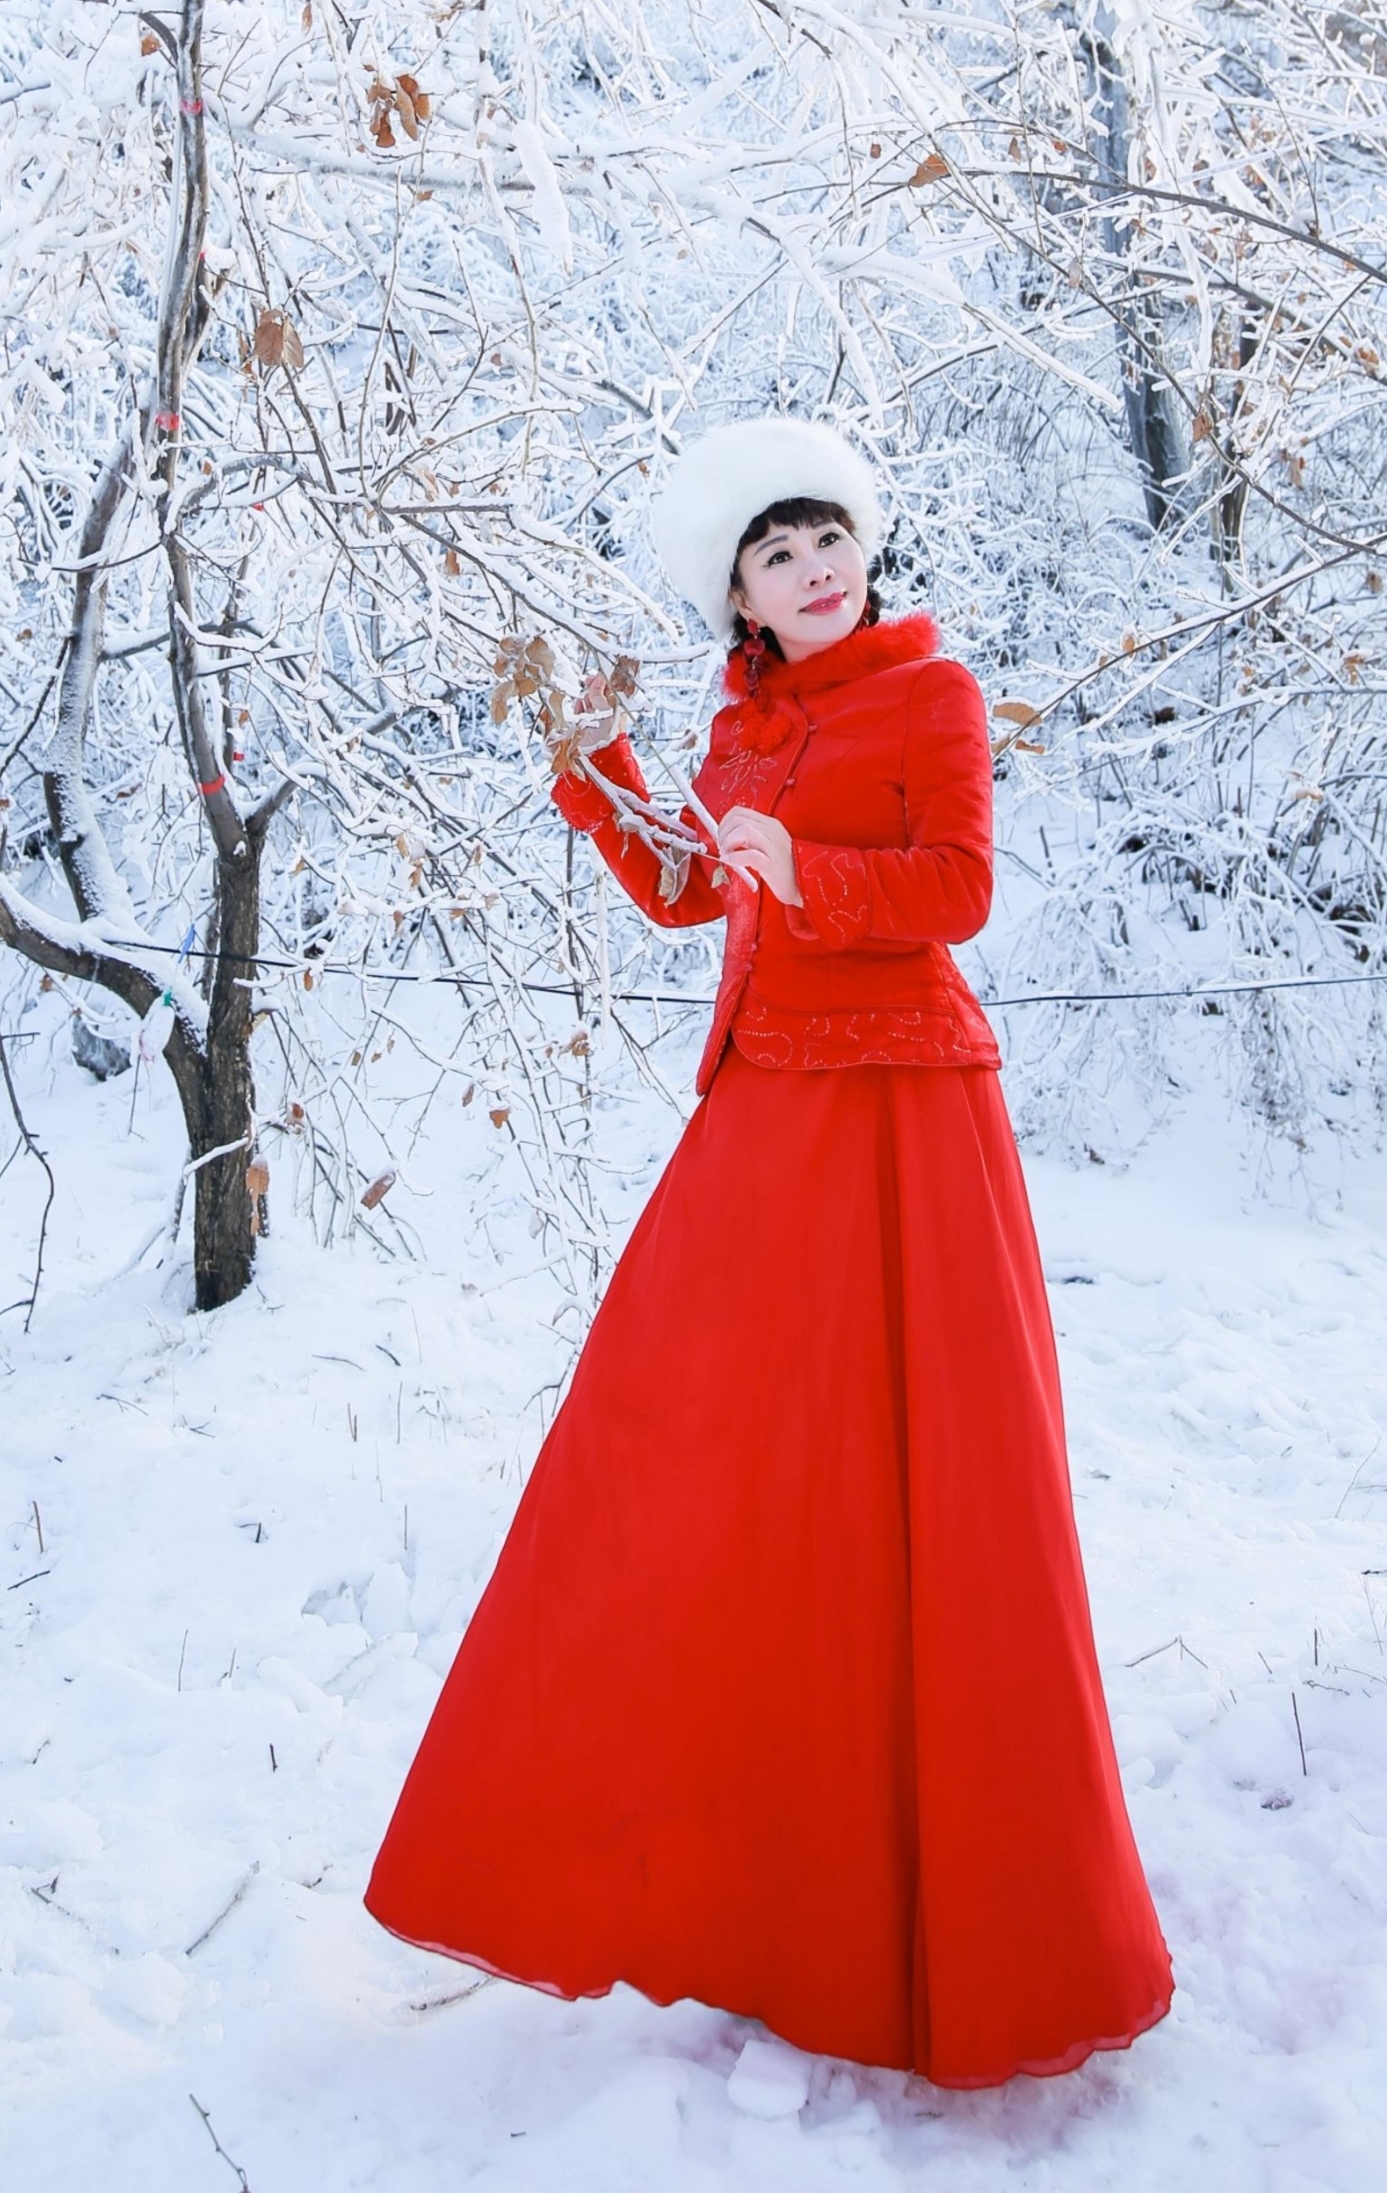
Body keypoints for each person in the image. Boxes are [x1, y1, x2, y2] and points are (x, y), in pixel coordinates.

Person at [364, 417, 1173, 2087]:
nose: (815, 571)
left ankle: (935, 1921)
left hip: (903, 1112)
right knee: (683, 1443)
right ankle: (736, 1875)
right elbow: (690, 889)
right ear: (737, 595)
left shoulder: (931, 695)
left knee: (914, 1479)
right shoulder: (741, 723)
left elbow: (954, 891)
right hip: (763, 1107)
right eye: (778, 555)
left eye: (829, 542)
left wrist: (811, 872)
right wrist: (592, 757)